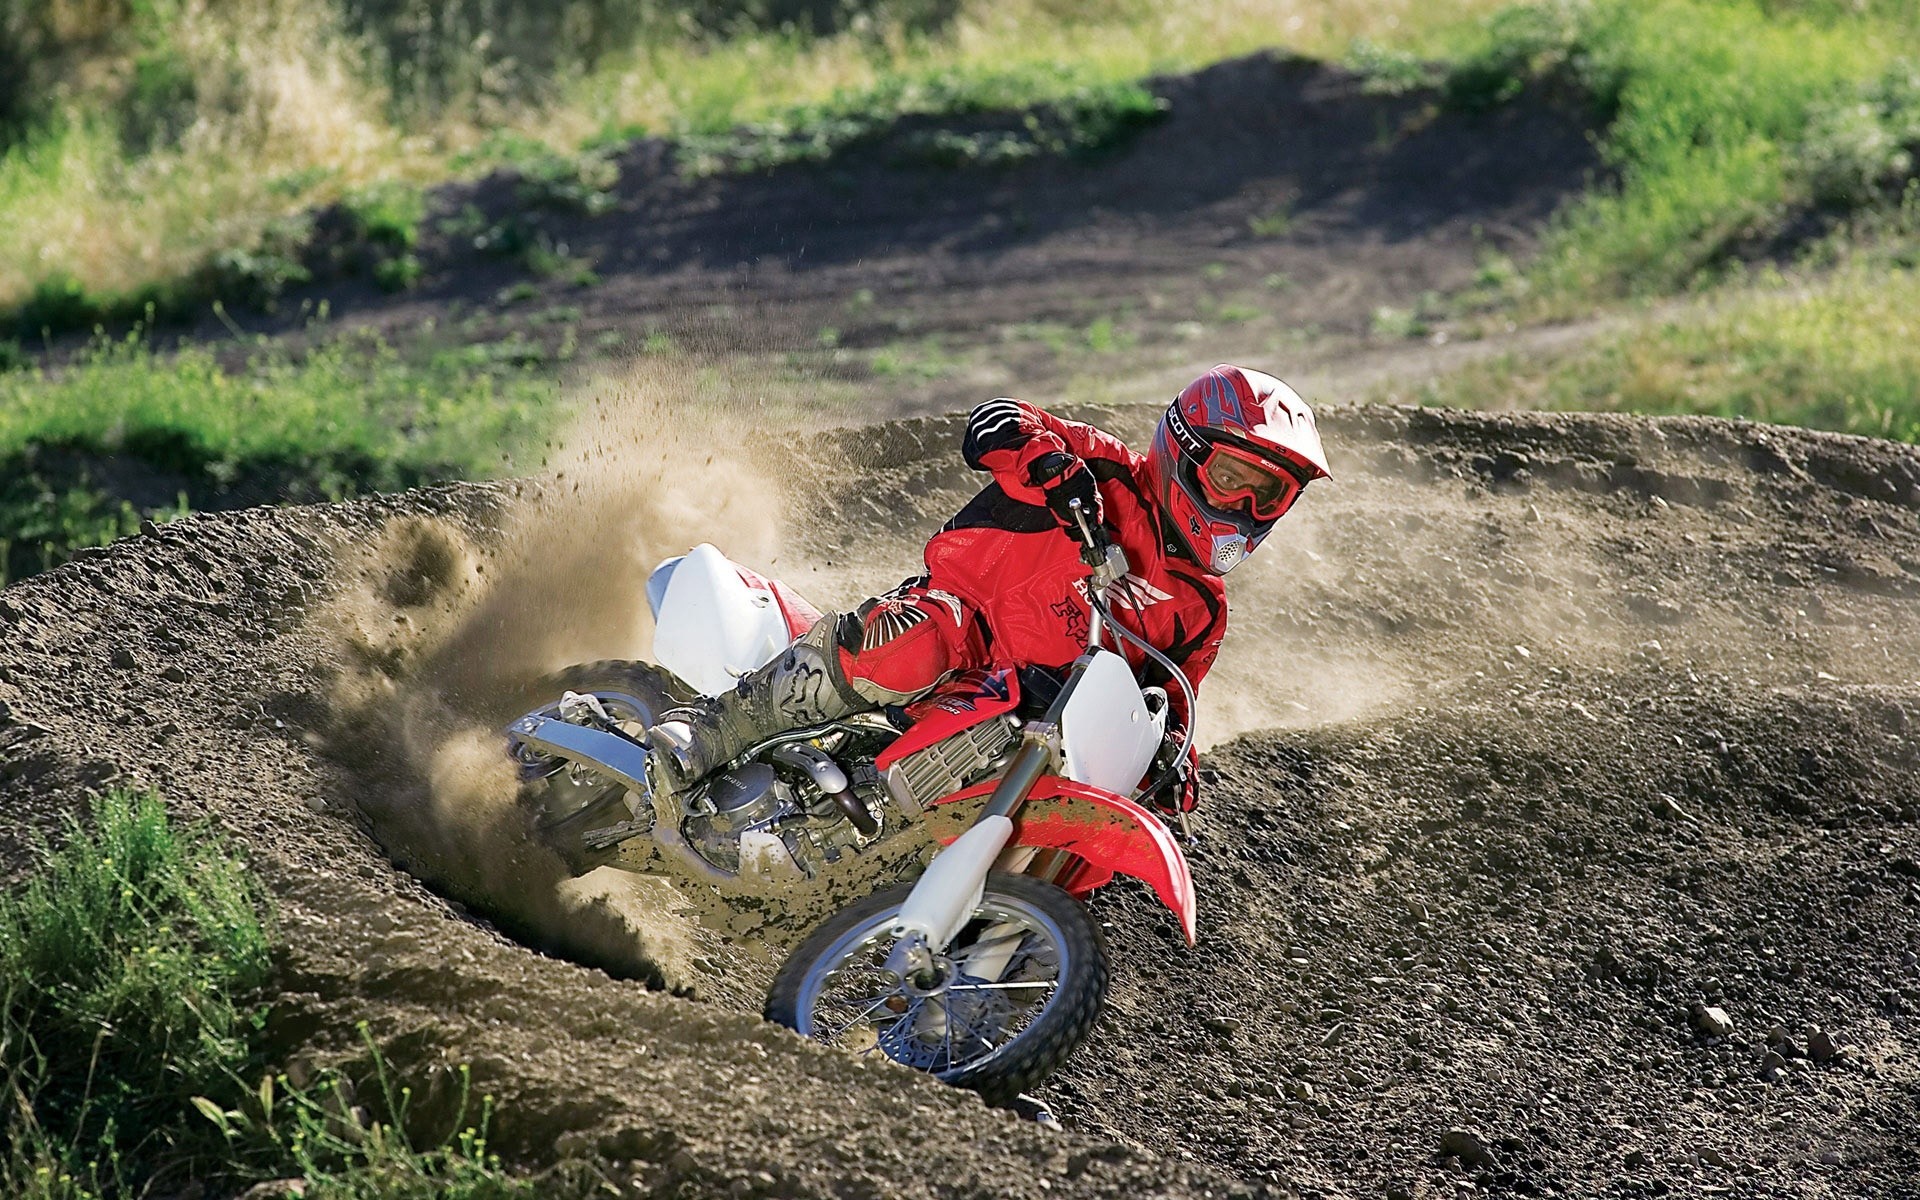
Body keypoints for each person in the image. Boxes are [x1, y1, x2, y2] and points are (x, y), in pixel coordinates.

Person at [645, 363, 1330, 813]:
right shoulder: (1105, 471)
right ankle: (712, 726)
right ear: (1186, 450)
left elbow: (1172, 707)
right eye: (1234, 478)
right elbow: (998, 422)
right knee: (922, 639)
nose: (1244, 506)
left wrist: (1178, 765)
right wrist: (1048, 465)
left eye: (1268, 494)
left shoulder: (1200, 612)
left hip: (1023, 726)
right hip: (961, 636)